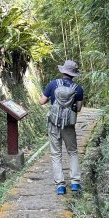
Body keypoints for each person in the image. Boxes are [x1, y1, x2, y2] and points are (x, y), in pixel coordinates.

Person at [40, 59, 84, 195]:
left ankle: (60, 186)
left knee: (56, 154)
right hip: (68, 125)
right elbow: (79, 108)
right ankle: (75, 183)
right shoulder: (78, 89)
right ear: (73, 74)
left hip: (54, 123)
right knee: (73, 152)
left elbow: (42, 101)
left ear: (63, 72)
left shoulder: (53, 84)